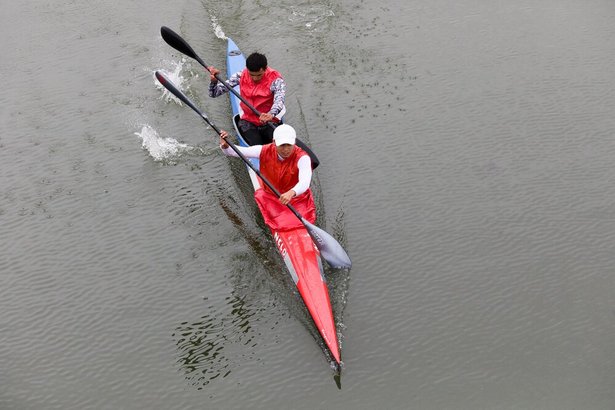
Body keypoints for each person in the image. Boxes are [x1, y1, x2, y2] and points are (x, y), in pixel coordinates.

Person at [218, 124, 316, 230]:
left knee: (296, 222)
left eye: (289, 145)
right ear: (274, 142)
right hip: (272, 196)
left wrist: (291, 192)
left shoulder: (303, 158)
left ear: (294, 143)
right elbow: (236, 152)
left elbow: (305, 182)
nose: (286, 149)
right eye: (282, 145)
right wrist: (226, 146)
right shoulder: (264, 150)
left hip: (297, 198)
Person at [208, 52, 286, 146]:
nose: (255, 78)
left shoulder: (276, 80)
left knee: (277, 146)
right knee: (257, 146)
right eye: (251, 74)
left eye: (259, 75)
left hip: (269, 120)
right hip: (248, 121)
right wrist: (214, 82)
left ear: (265, 69)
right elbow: (214, 93)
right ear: (247, 69)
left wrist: (271, 114)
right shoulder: (241, 75)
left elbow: (279, 100)